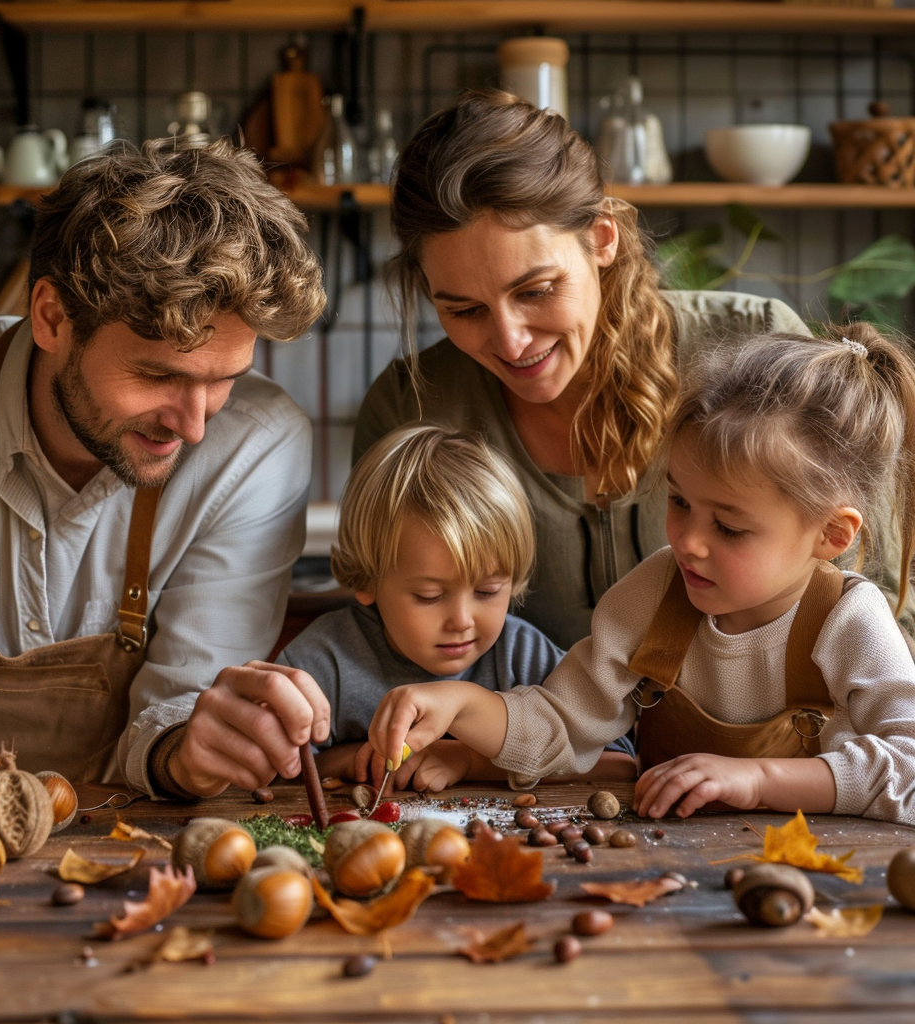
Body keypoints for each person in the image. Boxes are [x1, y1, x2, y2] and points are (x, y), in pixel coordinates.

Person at [353, 89, 915, 648]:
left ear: (601, 238)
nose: (510, 340)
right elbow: (383, 649)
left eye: (538, 290)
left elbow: (884, 606)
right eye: (464, 309)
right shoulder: (411, 407)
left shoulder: (757, 344)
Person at [0, 137, 331, 809]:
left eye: (224, 382)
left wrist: (192, 747)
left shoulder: (257, 448)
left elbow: (184, 705)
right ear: (52, 317)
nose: (193, 426)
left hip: (122, 854)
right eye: (159, 375)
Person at [369, 325, 915, 825]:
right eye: (679, 501)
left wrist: (759, 779)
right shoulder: (656, 595)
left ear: (832, 535)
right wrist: (461, 704)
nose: (686, 541)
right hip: (669, 866)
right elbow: (562, 725)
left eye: (728, 527)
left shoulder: (848, 620)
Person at [276, 424, 633, 792]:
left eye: (487, 591)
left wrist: (469, 759)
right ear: (366, 580)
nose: (462, 622)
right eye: (429, 596)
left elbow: (619, 764)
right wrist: (352, 761)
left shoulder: (522, 657)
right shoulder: (323, 662)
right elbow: (272, 768)